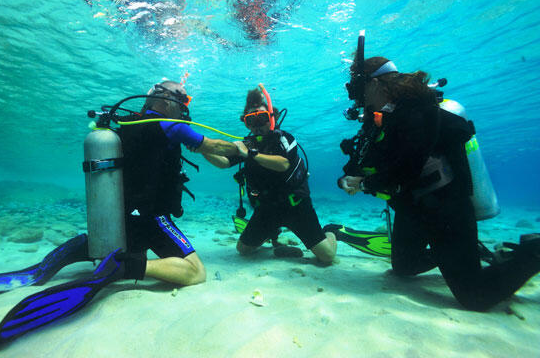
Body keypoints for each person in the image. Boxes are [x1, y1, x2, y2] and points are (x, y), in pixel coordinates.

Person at [330, 36, 540, 311]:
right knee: (404, 267)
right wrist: (347, 178)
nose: (358, 96)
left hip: (445, 207)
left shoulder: (417, 111)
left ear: (376, 83)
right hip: (413, 208)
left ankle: (534, 252)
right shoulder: (382, 117)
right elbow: (365, 159)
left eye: (359, 87)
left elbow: (407, 167)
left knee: (475, 296)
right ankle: (466, 254)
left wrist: (366, 182)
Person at [116, 80, 242, 285]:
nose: (186, 104)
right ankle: (126, 267)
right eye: (183, 98)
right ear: (164, 98)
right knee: (196, 272)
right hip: (153, 218)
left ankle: (88, 251)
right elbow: (216, 146)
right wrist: (241, 149)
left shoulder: (127, 125)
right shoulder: (172, 126)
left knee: (132, 247)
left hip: (124, 218)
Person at [203, 86, 337, 263]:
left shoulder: (284, 139)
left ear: (272, 117)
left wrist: (250, 154)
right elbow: (224, 163)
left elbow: (283, 164)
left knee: (327, 257)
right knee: (243, 250)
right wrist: (201, 148)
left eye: (262, 117)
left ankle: (331, 231)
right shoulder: (247, 145)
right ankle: (271, 232)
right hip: (266, 209)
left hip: (296, 207)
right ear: (246, 123)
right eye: (251, 120)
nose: (257, 124)